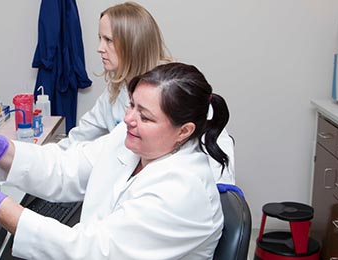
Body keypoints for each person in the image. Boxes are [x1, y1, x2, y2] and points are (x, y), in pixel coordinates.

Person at [0, 63, 231, 259]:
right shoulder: (132, 141)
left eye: (145, 117)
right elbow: (69, 168)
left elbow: (93, 251)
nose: (129, 119)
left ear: (184, 131)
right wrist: (0, 149)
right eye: (131, 105)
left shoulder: (183, 189)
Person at [58, 2, 236, 184]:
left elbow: (219, 162)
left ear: (132, 44)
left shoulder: (177, 89)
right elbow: (80, 137)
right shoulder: (116, 90)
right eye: (100, 38)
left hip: (175, 193)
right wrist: (46, 158)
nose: (99, 48)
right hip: (141, 188)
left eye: (108, 40)